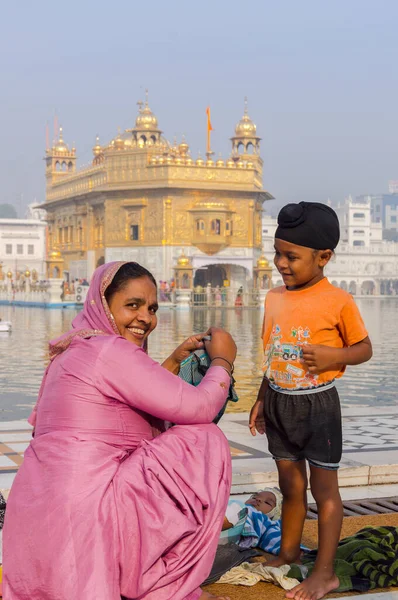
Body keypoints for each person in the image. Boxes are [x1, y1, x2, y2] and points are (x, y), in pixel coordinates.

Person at [3, 261, 237, 600]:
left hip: (40, 531)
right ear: (103, 305)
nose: (146, 317)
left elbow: (124, 415)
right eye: (133, 306)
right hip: (88, 520)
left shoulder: (73, 350)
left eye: (152, 308)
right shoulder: (109, 350)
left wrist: (171, 362)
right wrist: (223, 362)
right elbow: (200, 408)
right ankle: (160, 584)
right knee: (203, 439)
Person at [248, 202, 372, 600]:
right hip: (280, 402)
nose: (282, 263)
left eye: (292, 256)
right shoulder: (273, 298)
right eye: (278, 253)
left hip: (318, 407)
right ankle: (288, 551)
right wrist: (261, 398)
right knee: (290, 486)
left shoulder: (338, 301)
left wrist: (335, 356)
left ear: (324, 257)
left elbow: (364, 348)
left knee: (325, 491)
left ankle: (324, 573)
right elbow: (273, 354)